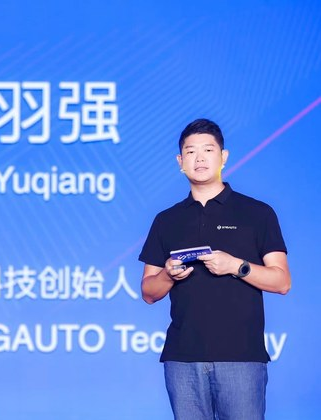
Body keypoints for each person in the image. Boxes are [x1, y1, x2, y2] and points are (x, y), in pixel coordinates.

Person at [138, 118, 291, 420]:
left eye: (208, 150)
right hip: (182, 359)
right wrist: (168, 274)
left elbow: (282, 281)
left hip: (241, 357)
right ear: (180, 161)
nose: (200, 158)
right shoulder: (166, 220)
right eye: (191, 152)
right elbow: (148, 292)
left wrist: (236, 266)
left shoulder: (257, 213)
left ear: (223, 157)